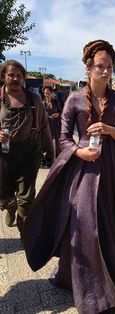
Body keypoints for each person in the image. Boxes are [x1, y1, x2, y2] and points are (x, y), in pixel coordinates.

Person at [23, 39, 115, 314]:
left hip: (114, 169)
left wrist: (112, 132)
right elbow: (61, 138)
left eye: (109, 67)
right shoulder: (73, 99)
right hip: (83, 169)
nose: (106, 72)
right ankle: (90, 285)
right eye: (100, 66)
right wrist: (78, 152)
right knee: (83, 222)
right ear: (88, 67)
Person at [0, 60, 53, 231]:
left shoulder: (34, 99)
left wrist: (50, 152)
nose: (15, 78)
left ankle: (25, 230)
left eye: (19, 75)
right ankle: (10, 206)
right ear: (3, 77)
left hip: (30, 151)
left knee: (27, 196)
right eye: (11, 75)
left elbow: (44, 126)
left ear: (23, 78)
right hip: (3, 153)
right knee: (4, 193)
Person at [42, 86, 62, 160]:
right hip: (47, 125)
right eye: (45, 93)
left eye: (48, 93)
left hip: (56, 124)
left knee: (56, 141)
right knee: (48, 142)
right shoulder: (42, 103)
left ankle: (57, 158)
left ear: (51, 93)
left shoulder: (56, 102)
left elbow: (61, 111)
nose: (47, 95)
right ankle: (49, 158)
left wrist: (58, 114)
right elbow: (40, 115)